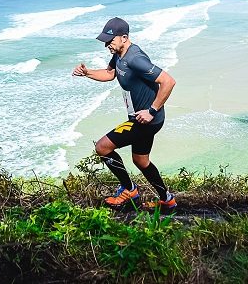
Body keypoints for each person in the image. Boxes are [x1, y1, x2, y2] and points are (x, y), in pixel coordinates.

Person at [72, 17, 177, 209]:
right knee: (141, 160)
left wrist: (152, 111)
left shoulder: (135, 59)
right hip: (140, 118)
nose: (106, 45)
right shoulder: (119, 54)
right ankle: (167, 199)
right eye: (105, 41)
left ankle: (129, 189)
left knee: (103, 147)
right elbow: (110, 74)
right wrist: (87, 73)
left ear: (124, 37)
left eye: (110, 41)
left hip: (146, 121)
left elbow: (168, 81)